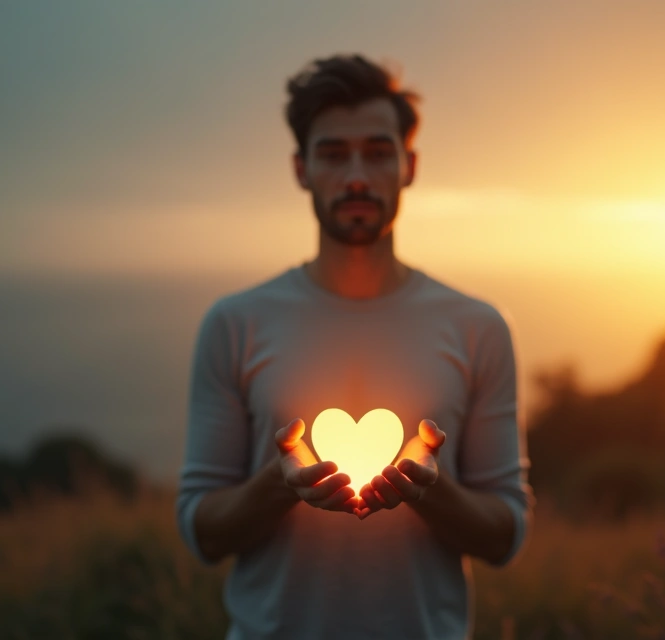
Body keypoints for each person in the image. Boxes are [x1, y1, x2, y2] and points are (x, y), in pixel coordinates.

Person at [176, 53, 533, 640]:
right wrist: (281, 483)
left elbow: (505, 537)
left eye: (378, 152)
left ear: (409, 165)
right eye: (334, 154)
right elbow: (202, 533)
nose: (358, 177)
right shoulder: (235, 324)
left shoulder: (478, 327)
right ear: (301, 168)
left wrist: (427, 488)